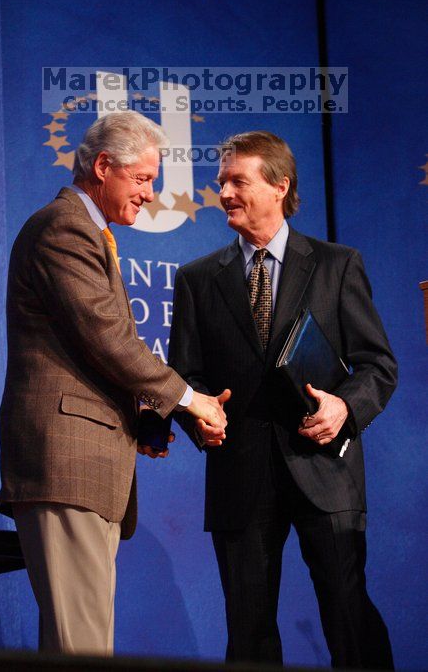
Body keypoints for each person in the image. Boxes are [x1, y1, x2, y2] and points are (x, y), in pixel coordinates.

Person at [0, 111, 227, 656]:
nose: (149, 195)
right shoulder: (64, 226)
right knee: (82, 649)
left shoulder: (90, 231)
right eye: (143, 179)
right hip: (67, 463)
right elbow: (105, 337)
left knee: (83, 643)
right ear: (103, 165)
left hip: (90, 467)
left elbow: (92, 351)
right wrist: (190, 400)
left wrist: (143, 417)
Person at [168, 131, 397, 668]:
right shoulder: (198, 279)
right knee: (248, 635)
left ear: (279, 186)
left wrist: (344, 407)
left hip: (325, 469)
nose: (224, 191)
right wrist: (197, 419)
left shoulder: (337, 264)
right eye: (221, 181)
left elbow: (378, 365)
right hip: (239, 475)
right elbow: (185, 376)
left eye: (238, 180)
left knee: (348, 617)